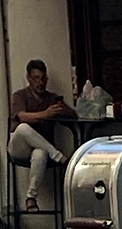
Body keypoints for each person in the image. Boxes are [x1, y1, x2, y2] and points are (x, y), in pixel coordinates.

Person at [9, 58, 74, 212]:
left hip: (42, 148)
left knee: (40, 153)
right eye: (36, 78)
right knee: (23, 127)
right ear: (28, 78)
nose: (40, 83)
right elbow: (22, 117)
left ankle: (30, 197)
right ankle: (59, 156)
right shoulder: (20, 95)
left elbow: (73, 116)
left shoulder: (51, 98)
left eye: (43, 79)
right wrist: (46, 114)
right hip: (20, 147)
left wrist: (62, 109)